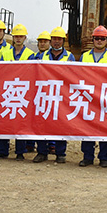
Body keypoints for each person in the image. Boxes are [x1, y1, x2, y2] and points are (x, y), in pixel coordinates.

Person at [0, 24, 35, 160]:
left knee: (20, 122)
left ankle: (20, 152)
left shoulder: (30, 54)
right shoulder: (4, 53)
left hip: (22, 92)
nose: (18, 39)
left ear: (25, 38)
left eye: (20, 36)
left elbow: (31, 73)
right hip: (7, 91)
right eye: (16, 36)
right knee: (4, 121)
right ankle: (3, 150)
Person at [34, 27, 73, 164]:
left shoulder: (69, 57)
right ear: (51, 41)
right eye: (54, 39)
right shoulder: (42, 56)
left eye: (59, 39)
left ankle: (60, 153)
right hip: (44, 94)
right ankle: (41, 152)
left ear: (63, 41)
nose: (57, 42)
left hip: (61, 95)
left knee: (61, 124)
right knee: (42, 123)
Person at [79, 25, 107, 167]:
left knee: (104, 129)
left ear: (106, 40)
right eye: (97, 38)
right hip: (87, 98)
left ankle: (104, 157)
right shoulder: (84, 57)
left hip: (105, 98)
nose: (99, 41)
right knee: (87, 128)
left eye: (102, 38)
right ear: (93, 39)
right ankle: (87, 156)